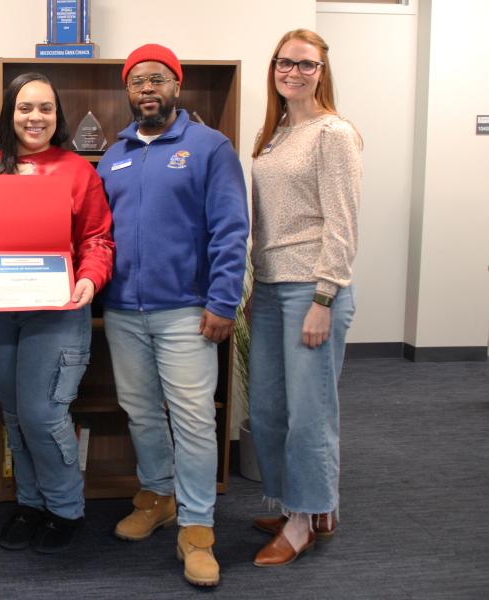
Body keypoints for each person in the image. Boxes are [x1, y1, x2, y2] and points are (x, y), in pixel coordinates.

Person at [97, 44, 249, 587]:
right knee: (139, 411)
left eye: (157, 79)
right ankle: (158, 496)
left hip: (187, 310)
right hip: (122, 310)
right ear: (128, 91)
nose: (146, 89)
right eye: (137, 81)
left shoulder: (209, 147)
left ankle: (198, 527)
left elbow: (231, 228)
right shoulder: (113, 155)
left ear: (176, 86)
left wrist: (222, 299)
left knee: (192, 419)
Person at [0, 72, 114, 554]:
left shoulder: (78, 171)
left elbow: (97, 239)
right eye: (25, 108)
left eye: (44, 108)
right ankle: (29, 503)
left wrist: (90, 277)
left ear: (56, 116)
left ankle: (65, 509)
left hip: (56, 312)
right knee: (17, 415)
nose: (34, 117)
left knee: (44, 415)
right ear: (10, 113)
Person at [248, 28, 361, 567]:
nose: (292, 72)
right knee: (269, 409)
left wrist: (324, 298)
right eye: (284, 63)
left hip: (311, 291)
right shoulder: (274, 135)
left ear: (322, 71)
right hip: (270, 289)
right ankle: (312, 505)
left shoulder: (333, 133)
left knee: (309, 414)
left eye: (306, 65)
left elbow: (342, 225)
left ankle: (302, 522)